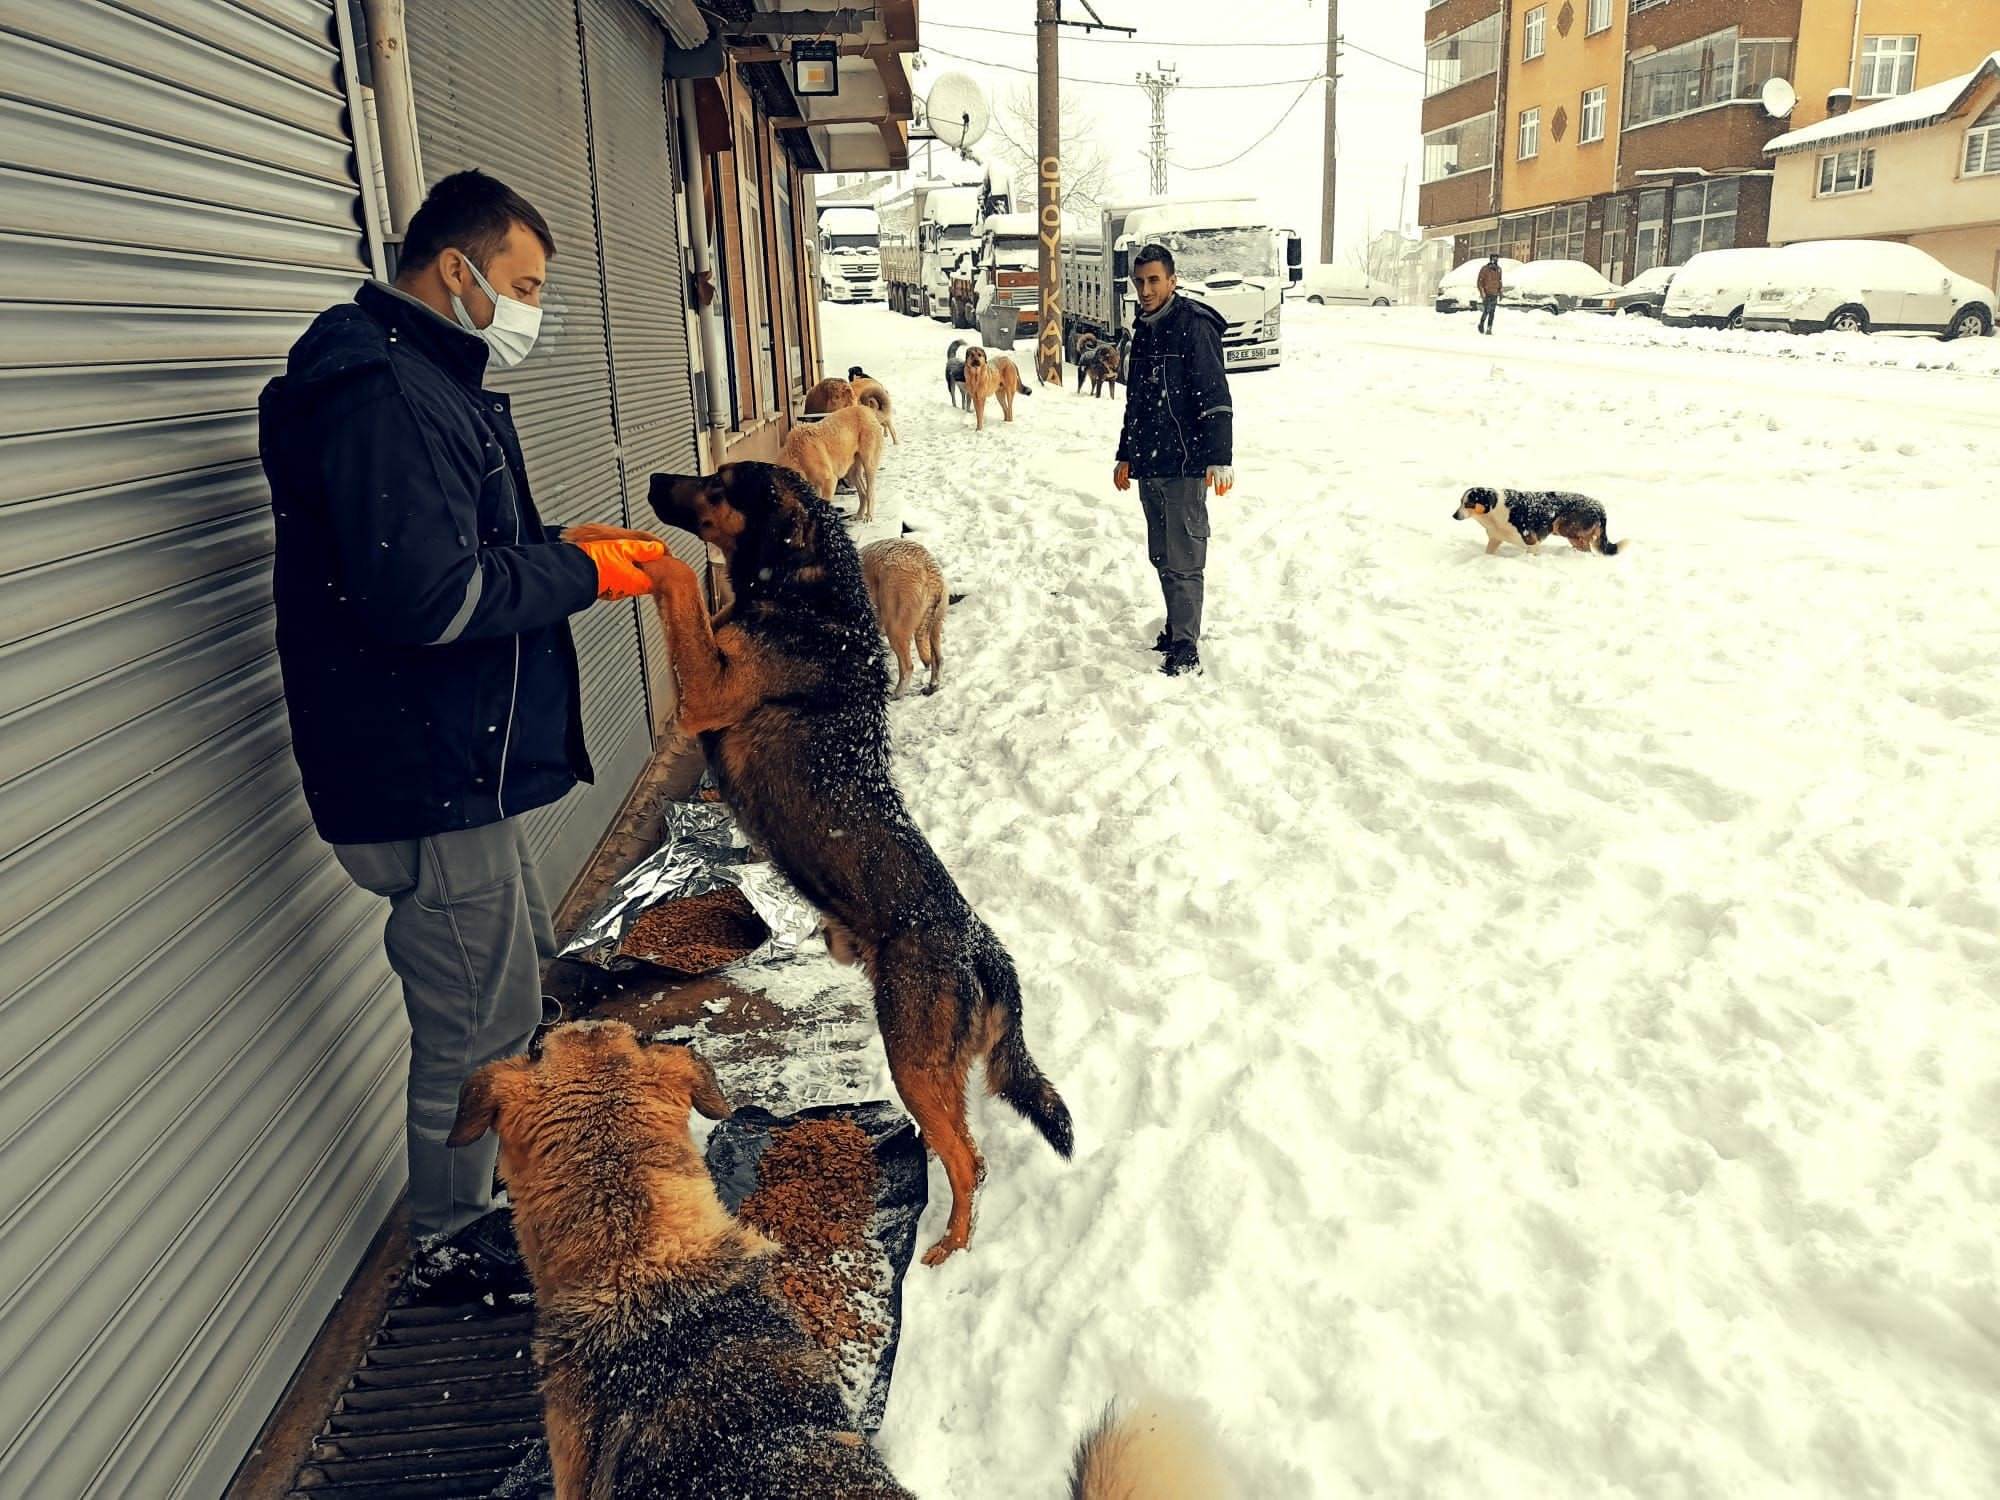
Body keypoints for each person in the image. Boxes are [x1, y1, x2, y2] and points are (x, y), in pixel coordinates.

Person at [258, 170, 666, 1249]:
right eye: (522, 283)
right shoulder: (387, 393)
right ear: (457, 269)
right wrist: (581, 581)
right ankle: (454, 1231)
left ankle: (509, 1179)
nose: (531, 306)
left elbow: (452, 554)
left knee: (508, 986)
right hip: (423, 770)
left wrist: (559, 552)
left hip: (448, 758)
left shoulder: (420, 376)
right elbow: (427, 601)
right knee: (473, 1024)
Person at [1111, 243, 1235, 678]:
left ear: (1172, 279)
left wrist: (1219, 458)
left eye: (1153, 281)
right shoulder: (1143, 328)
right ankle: (1175, 626)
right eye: (1139, 282)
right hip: (1151, 462)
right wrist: (1126, 454)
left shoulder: (1193, 326)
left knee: (1185, 559)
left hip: (1186, 463)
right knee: (1162, 554)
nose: (1145, 290)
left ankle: (1186, 646)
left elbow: (1215, 396)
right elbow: (1136, 401)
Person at [1477, 255, 1503, 335]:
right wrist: (1482, 292)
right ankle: (1481, 324)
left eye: (1497, 258)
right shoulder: (1485, 269)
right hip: (1487, 293)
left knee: (1492, 312)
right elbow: (1480, 282)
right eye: (1494, 258)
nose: (1495, 260)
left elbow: (1500, 281)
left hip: (1494, 293)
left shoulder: (1499, 269)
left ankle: (1489, 328)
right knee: (1486, 310)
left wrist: (1500, 292)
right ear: (1491, 259)